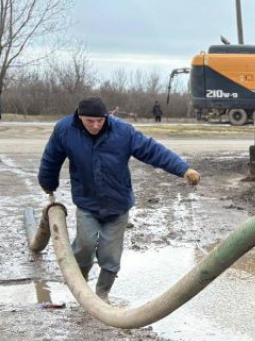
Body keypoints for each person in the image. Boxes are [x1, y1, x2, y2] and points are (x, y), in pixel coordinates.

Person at [37, 97, 201, 299]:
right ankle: (80, 289)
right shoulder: (65, 130)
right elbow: (51, 158)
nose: (96, 125)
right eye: (90, 121)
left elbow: (153, 150)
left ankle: (102, 294)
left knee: (110, 255)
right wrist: (48, 183)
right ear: (80, 118)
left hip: (118, 205)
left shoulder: (123, 131)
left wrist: (183, 169)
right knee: (84, 247)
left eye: (100, 120)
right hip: (87, 203)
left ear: (107, 116)